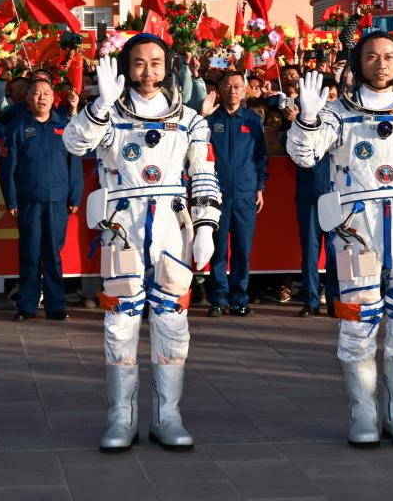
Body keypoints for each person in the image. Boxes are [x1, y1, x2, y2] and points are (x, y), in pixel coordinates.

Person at [287, 31, 393, 449]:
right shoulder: (336, 113)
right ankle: (363, 411)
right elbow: (305, 156)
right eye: (371, 56)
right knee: (357, 323)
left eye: (388, 56)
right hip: (356, 232)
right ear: (357, 62)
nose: (381, 63)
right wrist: (307, 117)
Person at [63, 33, 220, 452]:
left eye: (155, 62)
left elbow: (204, 174)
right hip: (123, 228)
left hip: (172, 226)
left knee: (172, 323)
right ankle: (122, 418)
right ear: (125, 67)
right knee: (120, 324)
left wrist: (206, 225)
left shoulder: (190, 120)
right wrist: (100, 105)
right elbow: (74, 143)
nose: (147, 70)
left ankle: (168, 416)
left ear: (168, 67)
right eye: (138, 62)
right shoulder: (109, 114)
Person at [1, 78, 83, 321]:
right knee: (30, 252)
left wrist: (75, 195)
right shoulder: (17, 127)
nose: (42, 97)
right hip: (28, 201)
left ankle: (55, 305)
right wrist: (12, 201)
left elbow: (75, 164)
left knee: (53, 254)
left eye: (47, 92)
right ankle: (26, 306)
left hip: (58, 200)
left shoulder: (64, 126)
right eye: (37, 93)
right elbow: (8, 168)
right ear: (28, 98)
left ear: (53, 97)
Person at [205, 71, 267, 317]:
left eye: (237, 86)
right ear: (220, 89)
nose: (233, 90)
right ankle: (218, 299)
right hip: (216, 194)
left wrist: (260, 187)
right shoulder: (210, 119)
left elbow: (260, 157)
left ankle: (239, 299)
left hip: (245, 194)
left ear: (244, 90)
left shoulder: (253, 120)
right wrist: (202, 117)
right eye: (228, 86)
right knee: (218, 250)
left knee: (242, 250)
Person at [296, 75, 338, 318]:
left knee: (336, 251)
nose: (326, 102)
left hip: (335, 198)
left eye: (331, 97)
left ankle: (335, 300)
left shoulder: (342, 125)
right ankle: (311, 301)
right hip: (309, 196)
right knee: (311, 252)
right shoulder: (303, 123)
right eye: (322, 97)